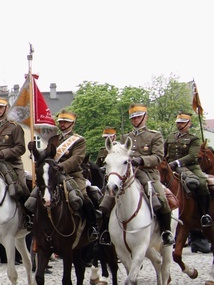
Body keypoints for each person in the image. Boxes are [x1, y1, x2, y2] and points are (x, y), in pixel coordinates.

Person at [99, 103, 173, 246]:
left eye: (138, 117)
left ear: (145, 117)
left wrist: (141, 160)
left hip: (147, 172)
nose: (136, 120)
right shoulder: (126, 136)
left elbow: (158, 157)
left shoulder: (154, 135)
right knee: (107, 199)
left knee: (161, 199)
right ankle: (106, 232)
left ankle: (166, 232)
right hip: (126, 173)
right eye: (133, 118)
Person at [41, 109, 99, 241]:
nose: (63, 124)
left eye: (66, 122)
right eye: (61, 122)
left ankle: (92, 226)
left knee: (82, 197)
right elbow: (47, 154)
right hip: (54, 176)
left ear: (72, 123)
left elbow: (77, 159)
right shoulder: (54, 139)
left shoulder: (79, 140)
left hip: (72, 174)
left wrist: (61, 166)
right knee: (35, 196)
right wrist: (37, 154)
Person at [0, 97, 30, 226]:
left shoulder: (15, 128)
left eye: (0, 108)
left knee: (22, 187)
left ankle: (28, 217)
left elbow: (20, 148)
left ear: (6, 108)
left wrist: (4, 153)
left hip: (12, 164)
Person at [164, 112, 212, 228]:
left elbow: (192, 156)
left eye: (182, 123)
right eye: (178, 123)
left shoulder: (194, 139)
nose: (180, 125)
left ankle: (204, 214)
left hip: (190, 167)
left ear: (189, 124)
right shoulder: (170, 137)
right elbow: (164, 152)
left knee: (201, 184)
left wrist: (176, 163)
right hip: (170, 167)